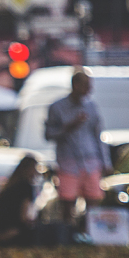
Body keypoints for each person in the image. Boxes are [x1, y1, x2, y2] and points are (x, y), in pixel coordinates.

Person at [45, 70, 110, 242]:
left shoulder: (91, 107)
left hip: (90, 160)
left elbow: (98, 135)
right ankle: (68, 235)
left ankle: (90, 234)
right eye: (86, 86)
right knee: (67, 201)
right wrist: (68, 127)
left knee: (94, 200)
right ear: (76, 85)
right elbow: (49, 134)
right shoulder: (57, 107)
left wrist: (105, 161)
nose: (89, 90)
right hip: (68, 162)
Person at [0, 155, 39, 247]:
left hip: (0, 230)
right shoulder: (26, 187)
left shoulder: (9, 186)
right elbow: (23, 217)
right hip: (15, 232)